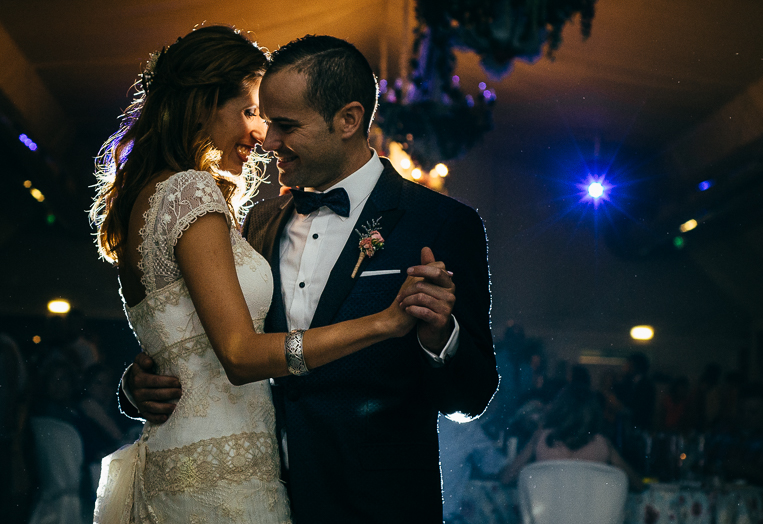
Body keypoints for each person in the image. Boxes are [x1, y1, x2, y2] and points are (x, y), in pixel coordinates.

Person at [124, 34, 499, 522]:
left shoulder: (441, 223)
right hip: (257, 495)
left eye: (285, 125)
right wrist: (140, 385)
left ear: (348, 119)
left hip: (378, 509)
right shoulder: (254, 224)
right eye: (265, 120)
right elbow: (212, 339)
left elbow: (472, 396)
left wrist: (438, 336)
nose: (268, 140)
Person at [500, 385, 644, 491]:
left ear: (560, 408)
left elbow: (507, 478)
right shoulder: (603, 444)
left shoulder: (540, 438)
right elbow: (637, 485)